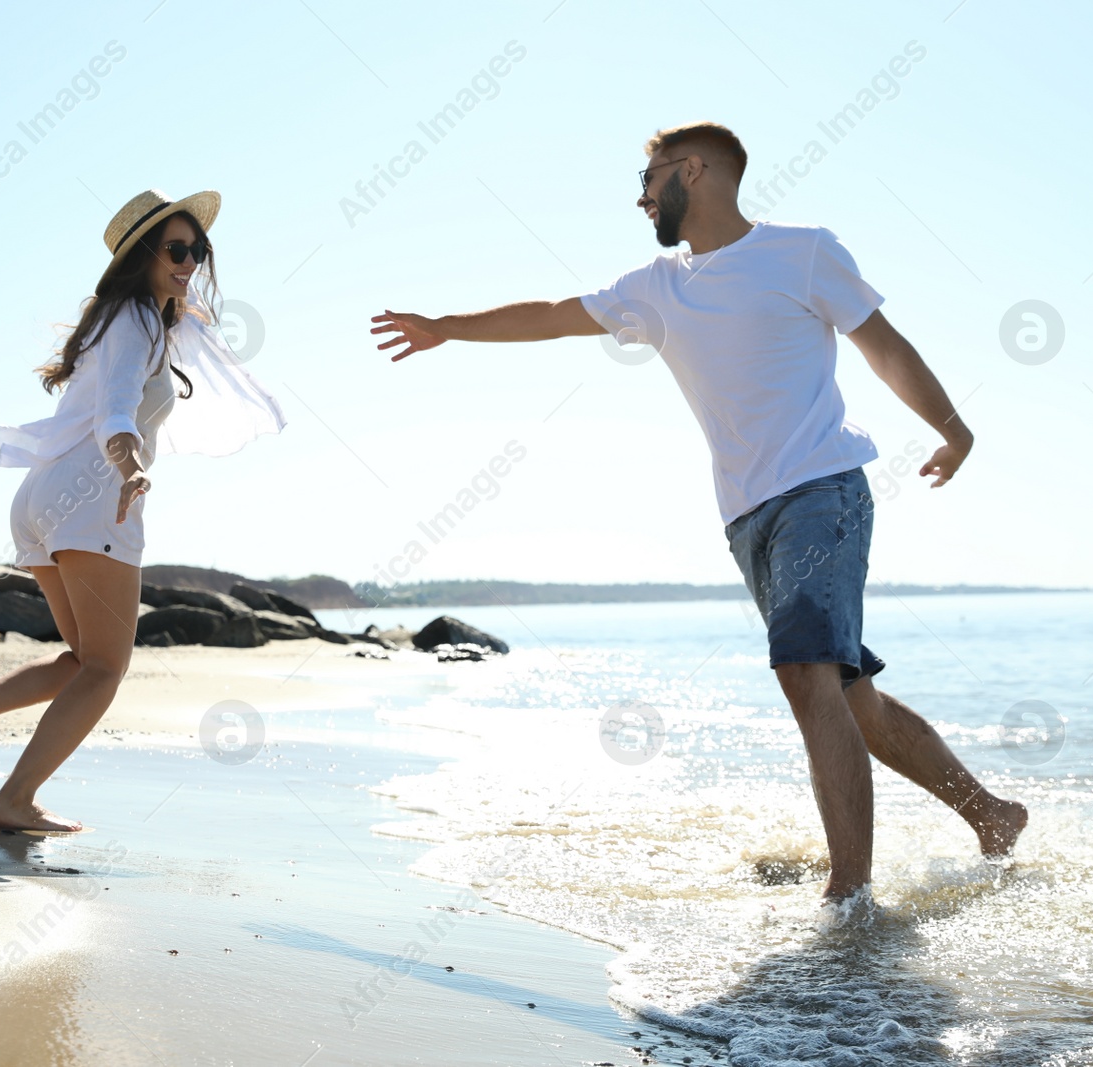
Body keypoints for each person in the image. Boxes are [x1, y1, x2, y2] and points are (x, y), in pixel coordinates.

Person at [369, 122, 1027, 903]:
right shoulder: (657, 288)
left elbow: (883, 346)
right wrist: (448, 327)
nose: (641, 199)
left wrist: (952, 430)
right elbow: (551, 313)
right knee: (851, 696)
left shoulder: (802, 251)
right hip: (748, 518)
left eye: (648, 181)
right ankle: (992, 815)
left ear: (694, 170)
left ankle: (847, 898)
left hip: (824, 488)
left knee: (804, 670)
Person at [0, 189, 285, 832]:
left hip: (41, 497)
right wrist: (130, 463)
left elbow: (166, 347)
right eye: (175, 249)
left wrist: (177, 299)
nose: (190, 260)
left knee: (84, 662)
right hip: (93, 494)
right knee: (107, 669)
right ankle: (14, 799)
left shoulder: (125, 318)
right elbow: (116, 409)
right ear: (142, 255)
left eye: (198, 250)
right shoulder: (136, 318)